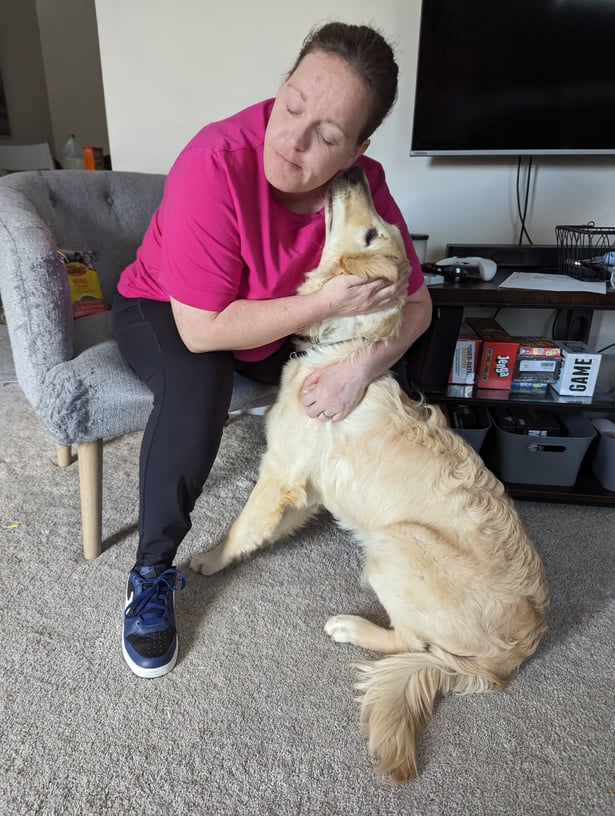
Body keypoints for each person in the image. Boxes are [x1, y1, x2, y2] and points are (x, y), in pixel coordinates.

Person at [112, 21, 432, 679]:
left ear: (357, 150)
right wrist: (325, 306)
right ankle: (151, 570)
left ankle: (405, 527)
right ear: (281, 88)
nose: (293, 139)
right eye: (291, 106)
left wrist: (358, 371)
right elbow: (202, 329)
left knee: (393, 367)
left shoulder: (361, 187)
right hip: (168, 308)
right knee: (195, 386)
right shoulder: (214, 160)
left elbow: (419, 304)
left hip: (277, 325)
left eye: (329, 136)